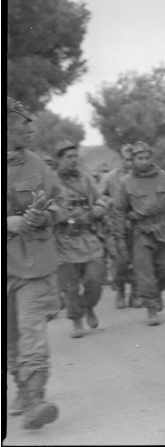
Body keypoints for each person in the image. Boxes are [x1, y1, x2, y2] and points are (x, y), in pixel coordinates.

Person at [7, 97, 62, 430]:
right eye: (22, 121)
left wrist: (44, 215)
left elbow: (58, 205)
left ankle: (35, 399)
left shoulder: (38, 165)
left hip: (33, 264)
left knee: (32, 332)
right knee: (8, 337)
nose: (30, 127)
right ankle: (22, 390)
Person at [114, 141, 165, 326]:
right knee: (144, 270)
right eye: (139, 158)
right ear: (133, 160)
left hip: (163, 230)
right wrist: (119, 237)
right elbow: (118, 210)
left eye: (147, 157)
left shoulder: (164, 177)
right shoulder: (126, 182)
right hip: (141, 231)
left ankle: (155, 292)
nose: (144, 161)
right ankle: (151, 308)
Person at [55, 139, 108, 338]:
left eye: (75, 156)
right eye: (68, 157)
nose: (73, 160)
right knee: (70, 286)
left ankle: (88, 306)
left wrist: (100, 207)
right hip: (64, 240)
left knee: (95, 279)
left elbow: (102, 197)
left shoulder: (86, 179)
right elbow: (46, 208)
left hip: (88, 237)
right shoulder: (52, 182)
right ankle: (76, 320)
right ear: (59, 159)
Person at [98, 144, 142, 309]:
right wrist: (112, 202)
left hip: (136, 224)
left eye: (131, 159)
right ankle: (121, 292)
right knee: (120, 260)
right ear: (121, 159)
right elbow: (99, 197)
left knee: (138, 259)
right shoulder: (110, 178)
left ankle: (135, 294)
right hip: (116, 225)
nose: (129, 163)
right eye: (126, 159)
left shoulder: (140, 177)